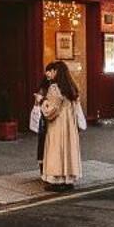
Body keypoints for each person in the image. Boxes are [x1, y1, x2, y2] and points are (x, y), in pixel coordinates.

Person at [36, 59, 82, 189]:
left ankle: (57, 180)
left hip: (58, 126)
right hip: (70, 127)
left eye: (53, 70)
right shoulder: (71, 87)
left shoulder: (55, 88)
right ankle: (68, 180)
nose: (51, 73)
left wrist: (41, 101)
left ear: (57, 72)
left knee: (57, 151)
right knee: (67, 151)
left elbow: (50, 110)